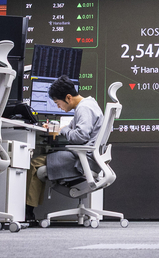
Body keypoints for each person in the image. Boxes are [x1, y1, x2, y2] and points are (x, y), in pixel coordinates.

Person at [25, 76, 103, 223]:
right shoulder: (89, 103)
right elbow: (72, 129)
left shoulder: (84, 108)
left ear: (68, 97)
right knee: (44, 158)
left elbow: (80, 136)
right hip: (88, 157)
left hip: (82, 161)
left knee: (35, 164)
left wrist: (63, 130)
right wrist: (61, 129)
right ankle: (29, 209)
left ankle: (27, 212)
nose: (58, 107)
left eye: (57, 103)